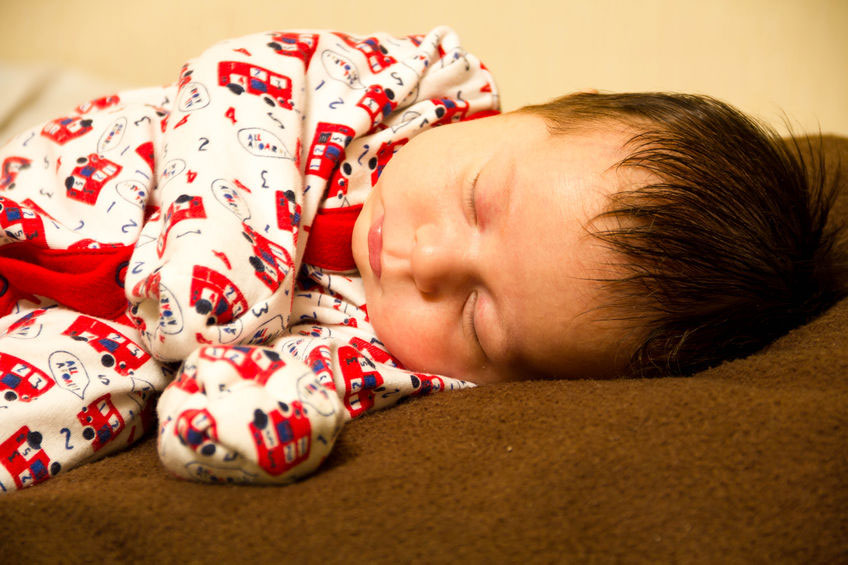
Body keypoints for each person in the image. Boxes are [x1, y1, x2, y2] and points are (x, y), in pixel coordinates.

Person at [0, 27, 842, 491]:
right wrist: (228, 261)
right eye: (478, 200)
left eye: (479, 317)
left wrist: (240, 427)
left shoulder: (394, 365)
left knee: (87, 411)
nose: (426, 259)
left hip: (67, 347)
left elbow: (263, 401)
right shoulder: (402, 93)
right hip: (71, 183)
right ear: (521, 116)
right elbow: (236, 75)